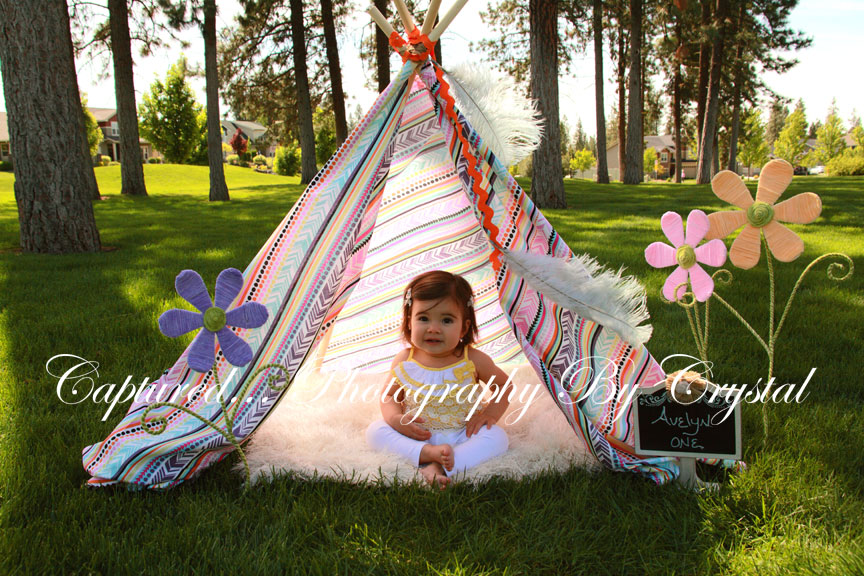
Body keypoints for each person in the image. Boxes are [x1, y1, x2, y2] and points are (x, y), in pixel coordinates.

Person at [366, 270, 512, 489]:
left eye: (446, 320)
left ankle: (440, 464)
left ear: (464, 327)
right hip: (416, 433)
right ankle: (427, 453)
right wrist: (396, 418)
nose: (433, 328)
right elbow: (390, 396)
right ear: (409, 322)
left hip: (463, 433)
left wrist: (490, 414)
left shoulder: (472, 359)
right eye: (423, 318)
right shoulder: (405, 360)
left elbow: (503, 385)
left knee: (498, 438)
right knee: (375, 431)